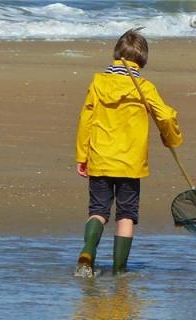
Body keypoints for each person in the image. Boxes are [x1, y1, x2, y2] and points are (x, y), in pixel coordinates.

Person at [75, 28, 183, 276]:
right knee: (126, 215)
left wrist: (82, 155)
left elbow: (86, 120)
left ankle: (88, 250)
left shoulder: (98, 82)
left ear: (117, 54)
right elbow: (165, 115)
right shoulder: (144, 86)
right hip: (130, 163)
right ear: (142, 60)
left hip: (100, 157)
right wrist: (171, 137)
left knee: (98, 211)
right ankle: (119, 270)